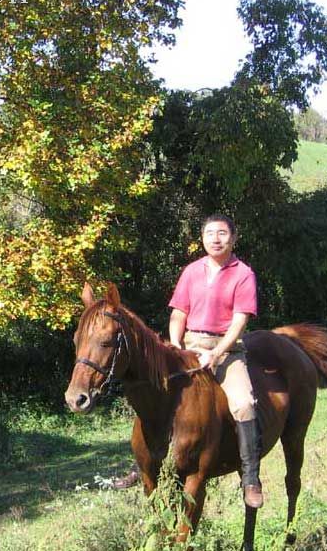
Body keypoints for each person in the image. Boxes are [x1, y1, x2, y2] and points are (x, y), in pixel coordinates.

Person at [114, 214, 263, 509]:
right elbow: (178, 313)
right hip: (189, 345)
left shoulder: (243, 273)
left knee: (244, 402)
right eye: (210, 233)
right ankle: (145, 463)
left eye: (222, 233)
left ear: (233, 238)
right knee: (155, 394)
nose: (216, 239)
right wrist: (176, 345)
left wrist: (217, 352)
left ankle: (251, 479)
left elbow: (240, 321)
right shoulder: (192, 271)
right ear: (202, 238)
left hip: (226, 350)